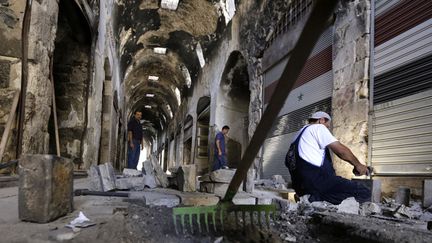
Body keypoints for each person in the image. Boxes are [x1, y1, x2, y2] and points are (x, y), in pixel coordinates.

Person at [289, 111, 370, 204]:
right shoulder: (318, 128)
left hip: (300, 187)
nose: (326, 129)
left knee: (334, 195)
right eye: (327, 126)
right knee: (363, 191)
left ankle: (311, 200)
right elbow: (341, 151)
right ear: (321, 120)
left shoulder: (297, 136)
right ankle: (315, 199)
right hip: (318, 182)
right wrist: (358, 165)